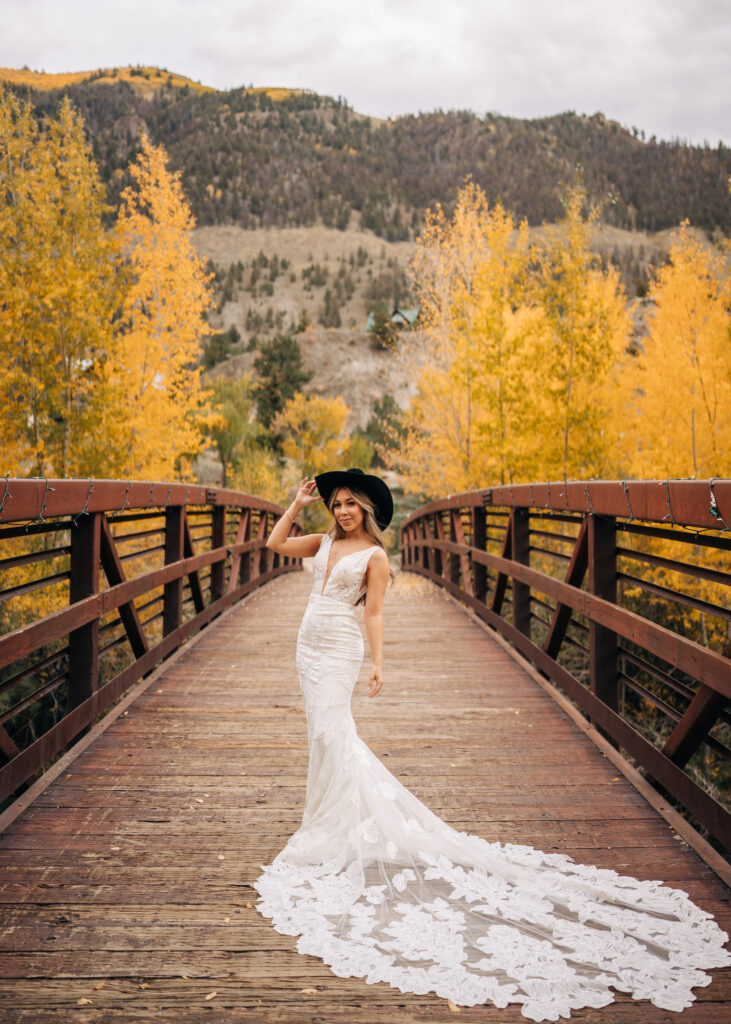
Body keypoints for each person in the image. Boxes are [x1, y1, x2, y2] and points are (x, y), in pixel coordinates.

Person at [255, 468, 729, 1022]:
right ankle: (328, 826)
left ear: (367, 511)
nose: (342, 512)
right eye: (336, 504)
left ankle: (334, 828)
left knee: (336, 735)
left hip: (339, 650)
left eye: (350, 505)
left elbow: (376, 612)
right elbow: (273, 543)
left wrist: (380, 663)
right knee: (321, 738)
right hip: (306, 649)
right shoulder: (324, 543)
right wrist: (296, 501)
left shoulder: (374, 560)